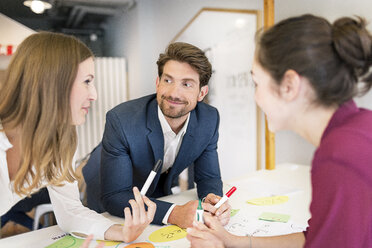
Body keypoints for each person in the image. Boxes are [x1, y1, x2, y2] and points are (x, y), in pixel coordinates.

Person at [186, 14, 372, 248]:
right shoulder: (362, 126)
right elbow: (317, 235)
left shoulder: (338, 157)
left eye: (257, 83)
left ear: (289, 85)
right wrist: (233, 241)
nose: (255, 98)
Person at [0, 31, 156, 243]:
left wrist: (120, 232)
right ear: (52, 82)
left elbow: (70, 211)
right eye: (86, 81)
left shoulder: (57, 142)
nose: (94, 95)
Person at [84, 42, 231, 228]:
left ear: (202, 93)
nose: (173, 93)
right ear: (157, 82)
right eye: (168, 80)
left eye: (186, 84)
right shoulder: (121, 120)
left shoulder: (209, 119)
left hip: (152, 186)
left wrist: (212, 201)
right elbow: (115, 196)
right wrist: (174, 213)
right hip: (106, 185)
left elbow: (208, 177)